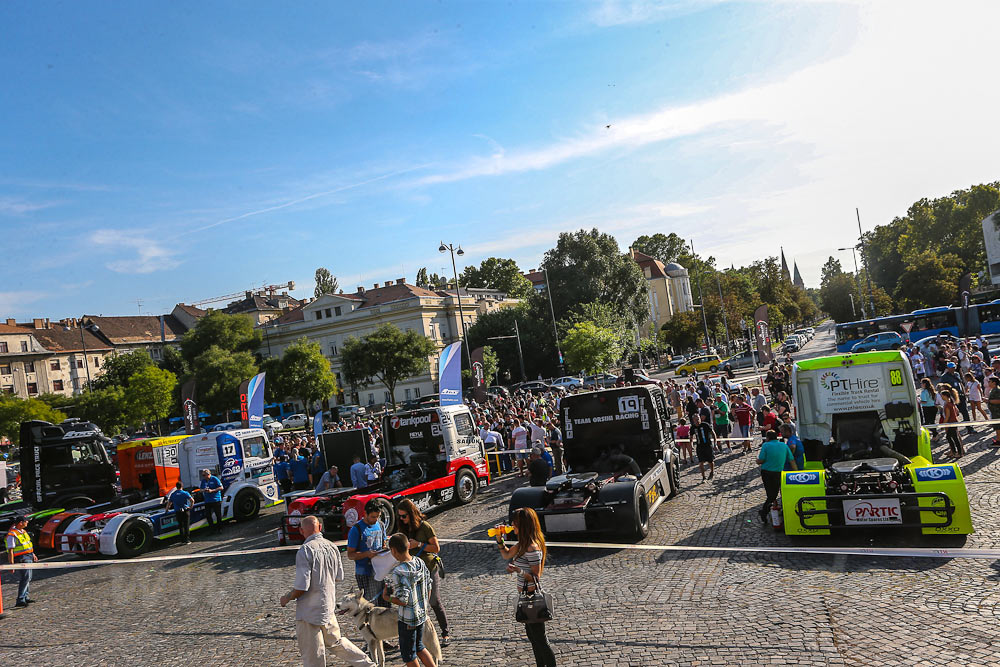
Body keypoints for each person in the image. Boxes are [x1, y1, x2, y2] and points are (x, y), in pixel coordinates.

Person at [280, 515, 375, 667]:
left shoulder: (305, 551)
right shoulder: (332, 546)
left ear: (301, 530)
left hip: (309, 612)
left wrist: (287, 597)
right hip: (327, 606)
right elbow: (339, 577)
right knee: (336, 642)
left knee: (313, 654)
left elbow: (301, 587)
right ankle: (367, 664)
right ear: (320, 528)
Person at [494, 508, 556, 667]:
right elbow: (506, 554)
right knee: (533, 638)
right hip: (524, 597)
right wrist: (499, 539)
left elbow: (536, 577)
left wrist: (518, 570)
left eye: (515, 523)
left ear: (524, 525)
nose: (512, 525)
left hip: (532, 598)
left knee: (540, 640)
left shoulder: (532, 548)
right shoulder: (522, 544)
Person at [396, 498, 450, 645]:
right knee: (415, 604)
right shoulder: (403, 528)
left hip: (429, 568)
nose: (402, 519)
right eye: (399, 516)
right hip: (413, 571)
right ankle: (419, 637)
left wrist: (418, 544)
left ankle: (445, 632)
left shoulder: (425, 526)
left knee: (434, 601)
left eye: (404, 516)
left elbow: (436, 548)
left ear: (411, 514)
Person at [383, 532, 436, 667]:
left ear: (393, 551)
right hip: (421, 615)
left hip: (407, 619)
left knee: (408, 655)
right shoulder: (420, 562)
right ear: (408, 545)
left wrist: (387, 597)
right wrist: (423, 607)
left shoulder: (399, 571)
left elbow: (403, 600)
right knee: (419, 646)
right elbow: (429, 585)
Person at [346, 499, 389, 607]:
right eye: (373, 517)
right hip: (364, 573)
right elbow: (350, 555)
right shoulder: (356, 530)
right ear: (365, 514)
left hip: (380, 571)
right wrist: (366, 554)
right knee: (371, 608)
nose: (376, 520)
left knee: (385, 605)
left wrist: (385, 550)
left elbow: (383, 543)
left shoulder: (381, 525)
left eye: (378, 517)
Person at [757, 430, 796, 524]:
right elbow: (791, 460)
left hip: (766, 473)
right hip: (778, 473)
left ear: (768, 438)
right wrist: (796, 472)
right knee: (773, 494)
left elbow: (761, 460)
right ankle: (770, 511)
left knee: (771, 494)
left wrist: (757, 461)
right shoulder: (784, 445)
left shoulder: (766, 445)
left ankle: (764, 512)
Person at [6, 514, 37, 607]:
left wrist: (33, 554)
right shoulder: (12, 534)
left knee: (28, 578)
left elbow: (28, 545)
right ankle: (20, 599)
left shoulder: (23, 531)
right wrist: (11, 565)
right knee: (25, 578)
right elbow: (10, 550)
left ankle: (25, 597)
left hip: (28, 557)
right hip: (22, 559)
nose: (27, 522)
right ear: (20, 523)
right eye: (26, 521)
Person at [939, 386, 964, 458]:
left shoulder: (947, 405)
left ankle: (958, 452)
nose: (941, 397)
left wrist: (944, 424)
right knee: (951, 437)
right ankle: (955, 452)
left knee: (953, 438)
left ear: (945, 396)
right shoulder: (951, 403)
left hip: (951, 423)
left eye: (942, 395)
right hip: (953, 422)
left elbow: (947, 416)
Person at [690, 413, 715, 481]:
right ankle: (703, 477)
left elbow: (713, 433)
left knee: (710, 461)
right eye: (696, 420)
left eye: (698, 419)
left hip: (708, 445)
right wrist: (691, 445)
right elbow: (691, 437)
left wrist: (715, 444)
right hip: (700, 447)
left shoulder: (705, 425)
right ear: (693, 420)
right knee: (701, 462)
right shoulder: (693, 427)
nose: (697, 421)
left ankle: (712, 472)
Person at [199, 469, 224, 534]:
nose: (203, 476)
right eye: (203, 475)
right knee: (208, 515)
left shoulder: (215, 479)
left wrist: (212, 490)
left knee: (218, 515)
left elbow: (221, 487)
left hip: (216, 500)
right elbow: (200, 489)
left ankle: (220, 528)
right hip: (207, 501)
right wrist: (204, 490)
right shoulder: (203, 481)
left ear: (208, 474)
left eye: (204, 475)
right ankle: (212, 529)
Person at [987, 376, 1000, 447]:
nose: (988, 383)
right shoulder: (993, 389)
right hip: (995, 412)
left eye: (989, 381)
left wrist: (988, 401)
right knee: (997, 427)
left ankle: (998, 441)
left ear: (994, 383)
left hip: (998, 412)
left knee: (998, 427)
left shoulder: (997, 390)